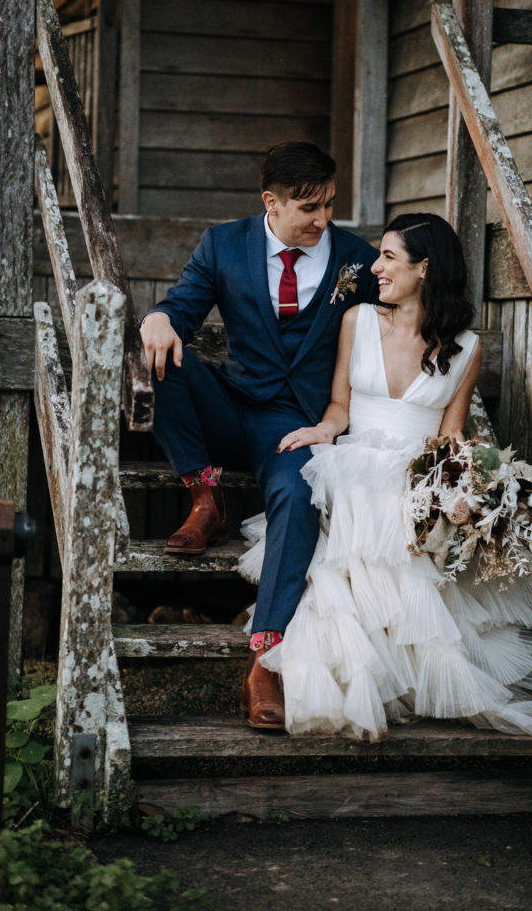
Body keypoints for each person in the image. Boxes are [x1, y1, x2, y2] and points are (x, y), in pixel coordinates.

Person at [238, 212, 532, 740]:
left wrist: (483, 481)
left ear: (424, 268)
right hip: (352, 459)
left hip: (417, 471)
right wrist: (319, 433)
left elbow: (454, 433)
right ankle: (290, 667)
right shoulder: (358, 321)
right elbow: (339, 407)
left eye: (389, 257)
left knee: (404, 515)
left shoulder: (465, 346)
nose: (375, 267)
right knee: (353, 506)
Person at [139, 141, 379, 729]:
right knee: (159, 355)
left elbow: (398, 323)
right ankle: (205, 498)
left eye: (329, 205)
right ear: (270, 202)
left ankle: (265, 661)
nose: (323, 220)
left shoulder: (354, 257)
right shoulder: (224, 244)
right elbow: (182, 309)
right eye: (308, 208)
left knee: (297, 498)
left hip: (294, 428)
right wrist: (156, 318)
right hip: (232, 405)